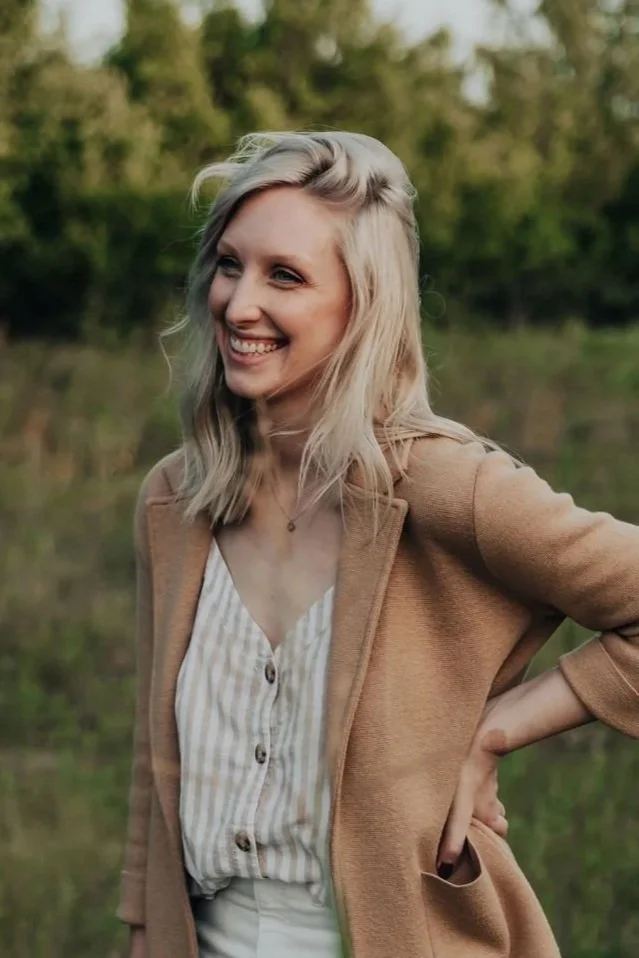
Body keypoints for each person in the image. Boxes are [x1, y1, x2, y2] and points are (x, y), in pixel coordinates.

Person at [116, 131, 639, 958]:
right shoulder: (176, 498)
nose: (238, 304)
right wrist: (145, 932)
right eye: (228, 264)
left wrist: (498, 729)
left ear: (364, 304)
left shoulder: (444, 485)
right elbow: (156, 770)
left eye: (284, 276)